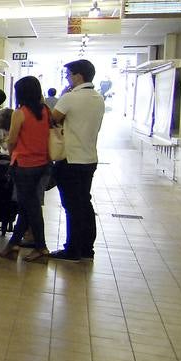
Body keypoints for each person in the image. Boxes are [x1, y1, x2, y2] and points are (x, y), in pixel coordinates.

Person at [50, 59, 105, 261]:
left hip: (70, 158)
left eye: (68, 75)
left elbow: (52, 119)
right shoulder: (98, 98)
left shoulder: (70, 98)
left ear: (78, 76)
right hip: (89, 158)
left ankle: (72, 249)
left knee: (72, 206)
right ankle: (87, 249)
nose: (67, 79)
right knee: (84, 203)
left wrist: (63, 95)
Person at [0, 76, 51, 263]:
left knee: (31, 206)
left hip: (24, 165)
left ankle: (41, 247)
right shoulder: (46, 111)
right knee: (26, 205)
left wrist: (13, 153)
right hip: (43, 164)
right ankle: (13, 244)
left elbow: (12, 140)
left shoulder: (20, 113)